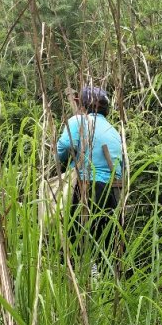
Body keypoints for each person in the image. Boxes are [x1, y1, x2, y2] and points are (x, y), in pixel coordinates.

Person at [56, 85, 123, 262]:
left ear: (83, 105)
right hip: (112, 193)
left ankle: (75, 278)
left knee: (75, 241)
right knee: (105, 245)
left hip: (86, 188)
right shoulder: (114, 131)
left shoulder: (78, 121)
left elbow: (62, 148)